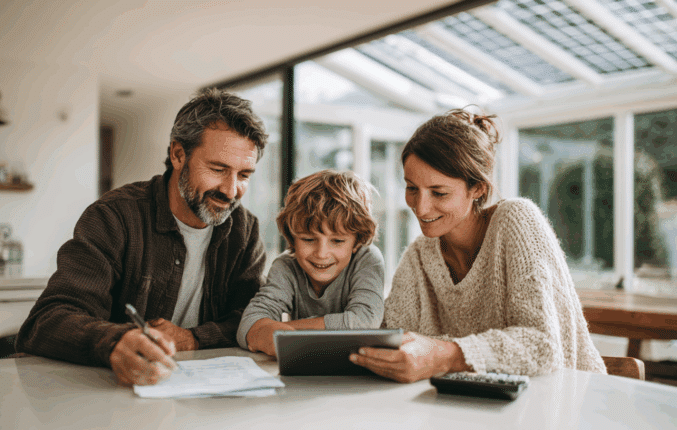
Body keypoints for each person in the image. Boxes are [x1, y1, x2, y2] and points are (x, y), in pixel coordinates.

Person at [16, 88, 269, 386]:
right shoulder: (114, 217)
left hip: (203, 396)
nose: (230, 190)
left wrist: (193, 338)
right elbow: (47, 321)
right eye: (217, 169)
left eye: (244, 175)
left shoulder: (244, 229)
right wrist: (115, 341)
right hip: (107, 395)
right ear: (177, 154)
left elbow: (249, 317)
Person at [350, 108, 606, 382]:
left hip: (571, 401)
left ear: (478, 189)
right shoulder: (420, 254)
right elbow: (391, 335)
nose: (421, 208)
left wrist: (444, 355)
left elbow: (542, 344)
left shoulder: (516, 221)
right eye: (412, 188)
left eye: (439, 192)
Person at [237, 169, 385, 357]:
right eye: (308, 239)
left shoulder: (367, 260)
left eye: (337, 241)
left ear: (357, 241)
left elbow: (364, 322)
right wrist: (267, 334)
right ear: (292, 237)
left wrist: (285, 331)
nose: (321, 254)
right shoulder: (285, 267)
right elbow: (249, 324)